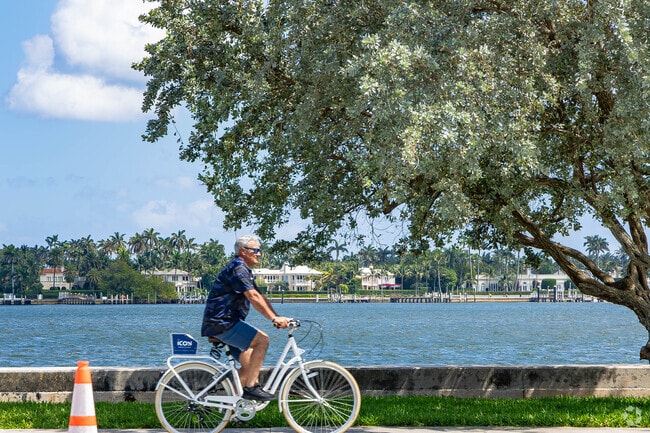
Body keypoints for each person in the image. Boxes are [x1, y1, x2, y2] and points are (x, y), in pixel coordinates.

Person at [201, 234, 291, 401]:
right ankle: (250, 388)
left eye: (259, 250)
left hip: (226, 322)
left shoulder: (244, 269)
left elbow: (259, 296)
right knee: (262, 340)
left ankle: (236, 407)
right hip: (222, 322)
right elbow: (252, 297)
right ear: (243, 251)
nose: (259, 253)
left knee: (249, 363)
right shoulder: (238, 268)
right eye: (255, 250)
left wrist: (278, 317)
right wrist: (273, 319)